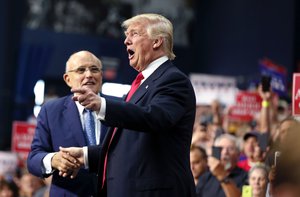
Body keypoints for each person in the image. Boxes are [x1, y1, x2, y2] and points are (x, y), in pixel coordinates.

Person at [60, 13, 196, 197]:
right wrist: (85, 155)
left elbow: (154, 117)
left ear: (157, 41)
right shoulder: (140, 85)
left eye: (134, 34)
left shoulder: (173, 80)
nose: (126, 41)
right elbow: (128, 146)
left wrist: (102, 105)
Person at [27, 51, 107, 196]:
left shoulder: (119, 109)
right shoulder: (51, 111)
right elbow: (33, 159)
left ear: (101, 76)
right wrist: (53, 160)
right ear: (68, 79)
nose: (89, 74)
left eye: (94, 69)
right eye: (81, 70)